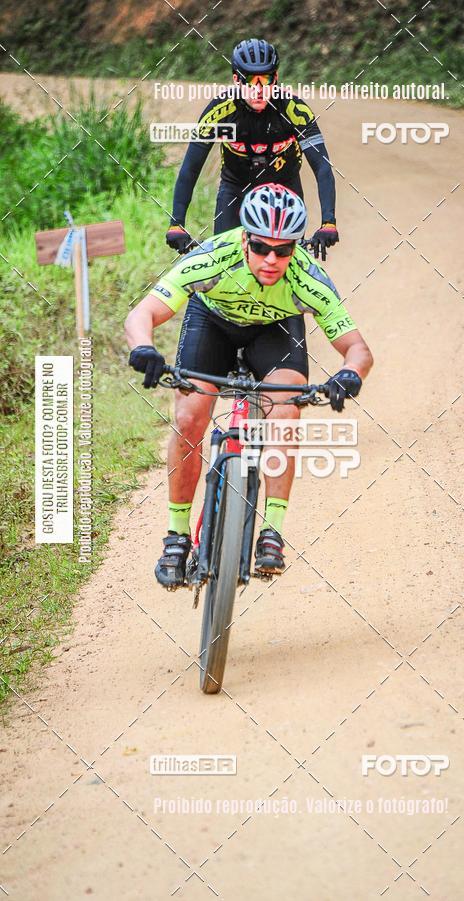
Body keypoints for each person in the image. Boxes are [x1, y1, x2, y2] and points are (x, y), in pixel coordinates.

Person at [127, 183, 372, 589]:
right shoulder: (212, 257)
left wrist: (349, 375)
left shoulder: (307, 278)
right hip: (213, 325)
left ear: (296, 247)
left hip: (274, 332)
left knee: (287, 408)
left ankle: (272, 532)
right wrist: (144, 350)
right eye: (261, 247)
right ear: (244, 239)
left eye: (283, 249)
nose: (272, 259)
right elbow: (143, 313)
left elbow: (357, 348)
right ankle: (176, 535)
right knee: (189, 418)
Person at [165, 37, 339, 259]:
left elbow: (322, 167)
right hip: (236, 188)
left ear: (275, 79)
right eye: (250, 80)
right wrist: (176, 223)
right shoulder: (221, 112)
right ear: (236, 80)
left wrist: (328, 222)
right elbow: (190, 168)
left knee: (288, 263)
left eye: (265, 80)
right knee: (225, 263)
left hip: (284, 188)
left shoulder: (293, 109)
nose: (258, 89)